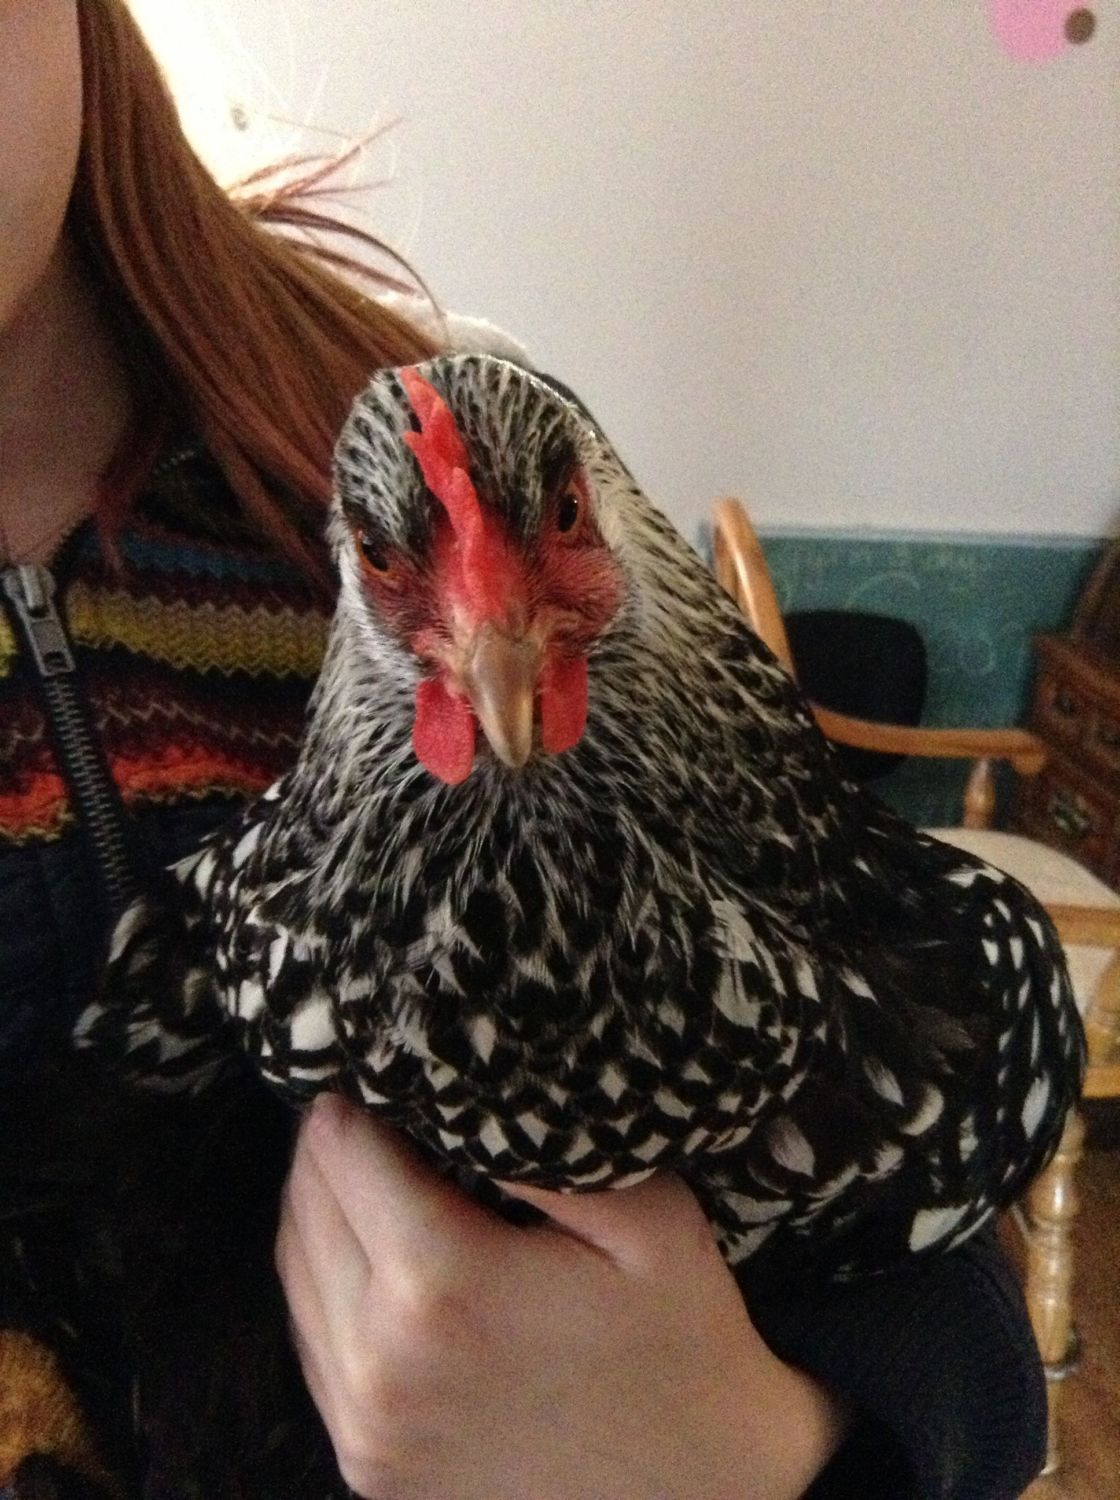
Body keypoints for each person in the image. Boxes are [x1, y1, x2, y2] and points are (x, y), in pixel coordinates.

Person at [0, 3, 1048, 1497]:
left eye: (551, 528)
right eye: (396, 567)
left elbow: (943, 1283)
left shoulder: (416, 389)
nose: (489, 633)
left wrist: (767, 1452)